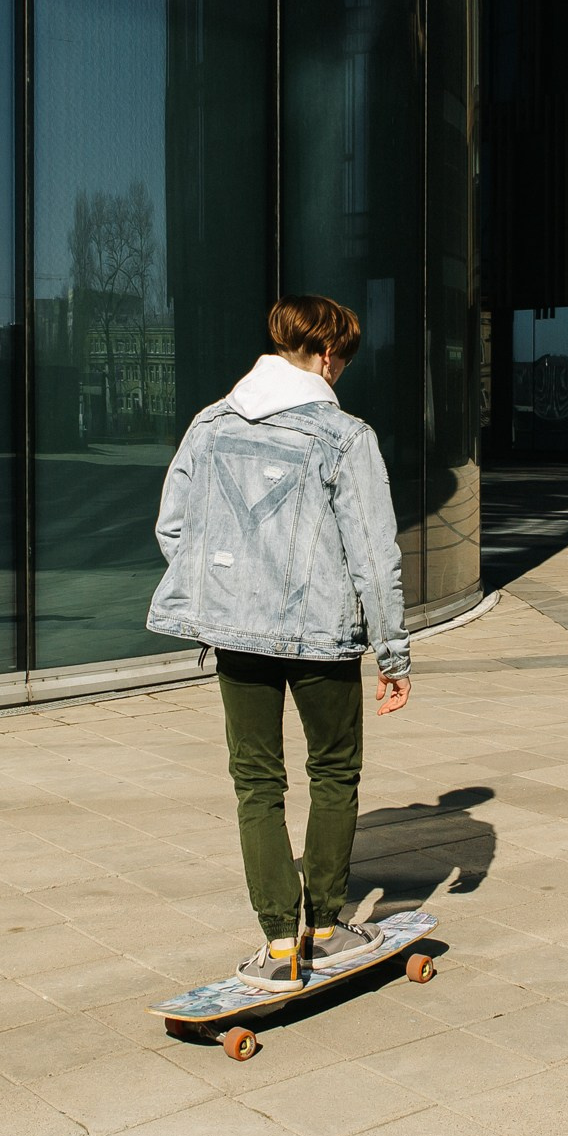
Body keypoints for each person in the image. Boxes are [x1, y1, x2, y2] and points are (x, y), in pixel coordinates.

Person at [149, 295, 412, 993]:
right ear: (327, 356)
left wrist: (227, 591)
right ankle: (325, 927)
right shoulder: (346, 437)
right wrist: (393, 653)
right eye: (343, 363)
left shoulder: (209, 425)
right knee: (333, 771)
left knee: (256, 785)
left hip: (235, 637)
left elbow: (174, 530)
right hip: (321, 638)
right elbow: (374, 554)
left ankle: (275, 940)